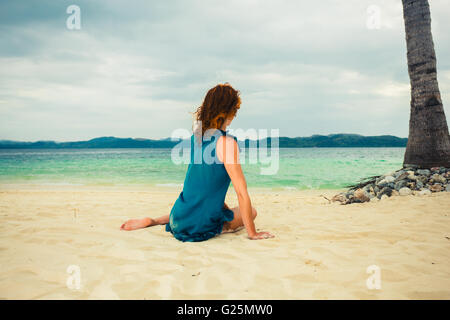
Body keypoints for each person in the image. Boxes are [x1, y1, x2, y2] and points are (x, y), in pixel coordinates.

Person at [120, 83, 274, 241]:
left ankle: (154, 221)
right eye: (236, 109)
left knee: (200, 206)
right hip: (199, 225)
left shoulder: (197, 138)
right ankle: (220, 227)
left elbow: (201, 184)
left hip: (177, 217)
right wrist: (253, 233)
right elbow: (241, 193)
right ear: (229, 111)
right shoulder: (227, 143)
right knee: (252, 212)